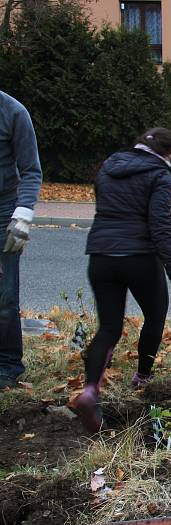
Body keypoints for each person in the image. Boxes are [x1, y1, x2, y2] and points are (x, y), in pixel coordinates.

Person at [71, 127, 171, 432]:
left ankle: (89, 391)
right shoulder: (159, 173)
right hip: (139, 257)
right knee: (155, 314)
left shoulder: (110, 165)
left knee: (109, 327)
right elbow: (160, 224)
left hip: (100, 255)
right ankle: (143, 376)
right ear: (168, 152)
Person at [0, 91, 43, 390]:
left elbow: (31, 171)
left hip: (4, 214)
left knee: (4, 296)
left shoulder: (13, 112)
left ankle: (8, 364)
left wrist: (23, 214)